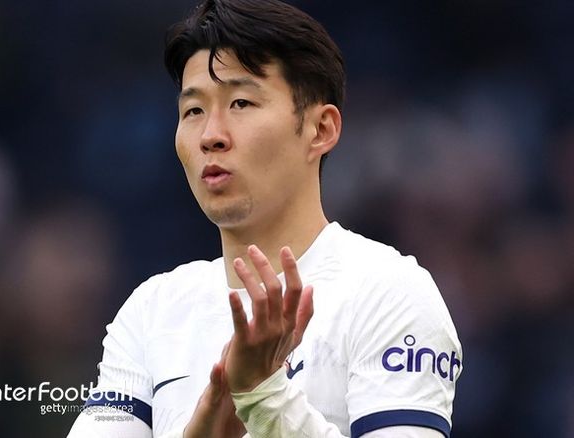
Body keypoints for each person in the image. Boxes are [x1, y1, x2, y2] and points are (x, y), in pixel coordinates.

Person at [67, 0, 463, 436]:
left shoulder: (388, 293)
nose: (211, 136)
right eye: (193, 110)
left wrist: (264, 395)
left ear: (321, 129)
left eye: (240, 102)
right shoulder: (152, 312)